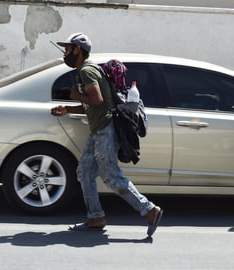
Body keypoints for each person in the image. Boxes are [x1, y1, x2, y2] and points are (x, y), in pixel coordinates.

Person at [51, 33, 163, 237]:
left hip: (105, 130)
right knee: (84, 172)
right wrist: (68, 109)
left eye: (67, 49)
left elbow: (97, 100)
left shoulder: (87, 71)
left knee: (111, 176)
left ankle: (149, 209)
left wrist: (74, 95)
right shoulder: (89, 70)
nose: (64, 53)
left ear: (77, 50)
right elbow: (91, 106)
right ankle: (95, 217)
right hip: (99, 129)